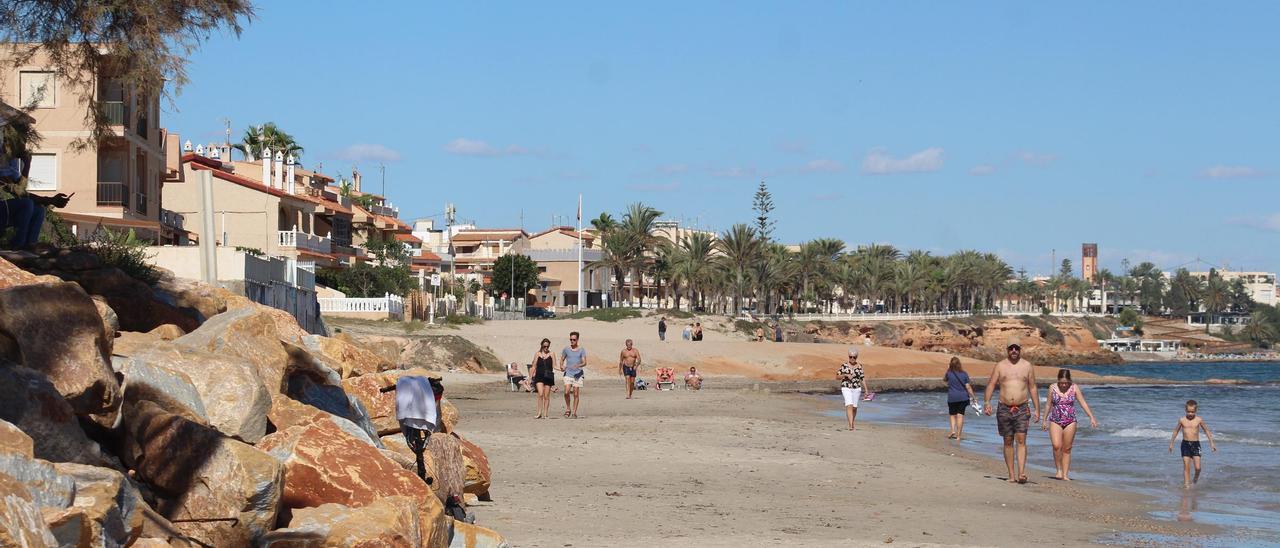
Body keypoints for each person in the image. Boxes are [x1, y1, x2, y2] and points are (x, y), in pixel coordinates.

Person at [1, 119, 70, 250]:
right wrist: (27, 164)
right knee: (26, 204)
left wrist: (47, 201)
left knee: (38, 209)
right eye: (21, 140)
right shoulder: (2, 159)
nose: (23, 144)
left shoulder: (13, 160)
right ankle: (18, 245)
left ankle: (30, 243)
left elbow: (21, 190)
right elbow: (19, 192)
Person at [983, 343, 1040, 484]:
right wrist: (986, 402)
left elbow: (1032, 387)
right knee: (1008, 441)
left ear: (1020, 350)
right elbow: (991, 384)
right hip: (1004, 408)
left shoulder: (1027, 366)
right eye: (1011, 348)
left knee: (1021, 439)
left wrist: (1037, 409)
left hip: (1022, 408)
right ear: (1007, 350)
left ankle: (1021, 473)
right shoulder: (1000, 366)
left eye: (1016, 348)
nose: (1014, 351)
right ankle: (1011, 475)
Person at [1041, 369, 1099, 481]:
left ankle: (1065, 474)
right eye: (1061, 382)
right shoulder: (1052, 388)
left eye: (1066, 382)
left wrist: (1091, 417)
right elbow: (1048, 405)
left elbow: (1083, 403)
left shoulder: (1074, 387)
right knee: (1057, 446)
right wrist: (1044, 420)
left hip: (1070, 421)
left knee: (1067, 448)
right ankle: (1058, 470)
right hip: (1055, 420)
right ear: (1058, 380)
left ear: (1069, 381)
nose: (1063, 385)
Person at [1169, 399, 1217, 488]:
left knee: (1198, 468)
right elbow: (1176, 431)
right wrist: (1171, 443)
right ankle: (1186, 485)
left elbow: (1206, 430)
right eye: (1188, 412)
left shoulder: (1199, 420)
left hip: (1196, 444)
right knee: (1186, 466)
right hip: (1185, 444)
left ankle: (1195, 480)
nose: (1190, 414)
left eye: (1192, 412)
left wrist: (1212, 443)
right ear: (1185, 410)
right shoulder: (1182, 420)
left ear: (1196, 411)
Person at [944, 357, 976, 440]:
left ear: (950, 364)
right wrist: (973, 396)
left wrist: (948, 369)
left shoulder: (949, 373)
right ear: (959, 364)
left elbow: (945, 380)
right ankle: (958, 436)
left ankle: (952, 431)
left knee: (952, 415)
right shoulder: (964, 373)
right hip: (963, 398)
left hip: (952, 398)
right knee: (960, 415)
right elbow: (968, 387)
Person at [837, 347, 868, 430]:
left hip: (856, 388)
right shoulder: (844, 366)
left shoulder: (859, 366)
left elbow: (862, 378)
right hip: (846, 387)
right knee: (849, 405)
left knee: (854, 407)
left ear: (856, 357)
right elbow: (837, 376)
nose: (852, 359)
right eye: (850, 357)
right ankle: (851, 425)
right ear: (848, 356)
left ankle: (852, 421)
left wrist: (866, 390)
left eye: (854, 357)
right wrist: (845, 375)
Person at [560, 331, 587, 418]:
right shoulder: (566, 349)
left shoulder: (581, 350)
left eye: (574, 339)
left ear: (577, 340)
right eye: (571, 339)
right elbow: (562, 359)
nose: (572, 341)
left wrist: (578, 365)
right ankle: (568, 409)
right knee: (566, 392)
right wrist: (561, 366)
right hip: (568, 373)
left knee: (576, 394)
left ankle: (574, 412)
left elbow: (584, 362)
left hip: (578, 374)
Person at [530, 338, 556, 418]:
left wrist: (562, 368)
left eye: (547, 346)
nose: (546, 348)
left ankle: (545, 414)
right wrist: (530, 377)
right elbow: (534, 366)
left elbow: (554, 366)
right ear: (541, 345)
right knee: (540, 394)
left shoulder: (552, 354)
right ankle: (539, 413)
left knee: (546, 396)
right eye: (544, 346)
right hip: (539, 376)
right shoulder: (537, 354)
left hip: (548, 377)